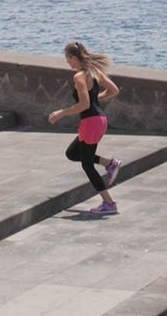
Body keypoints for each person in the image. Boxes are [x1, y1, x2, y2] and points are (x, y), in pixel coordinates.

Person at [46, 41, 122, 214]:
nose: (67, 62)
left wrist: (62, 112)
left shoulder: (79, 76)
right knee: (73, 154)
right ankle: (110, 163)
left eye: (67, 58)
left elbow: (83, 104)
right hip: (99, 119)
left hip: (91, 122)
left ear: (73, 57)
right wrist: (96, 100)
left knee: (87, 165)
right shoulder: (94, 72)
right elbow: (114, 90)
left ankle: (109, 204)